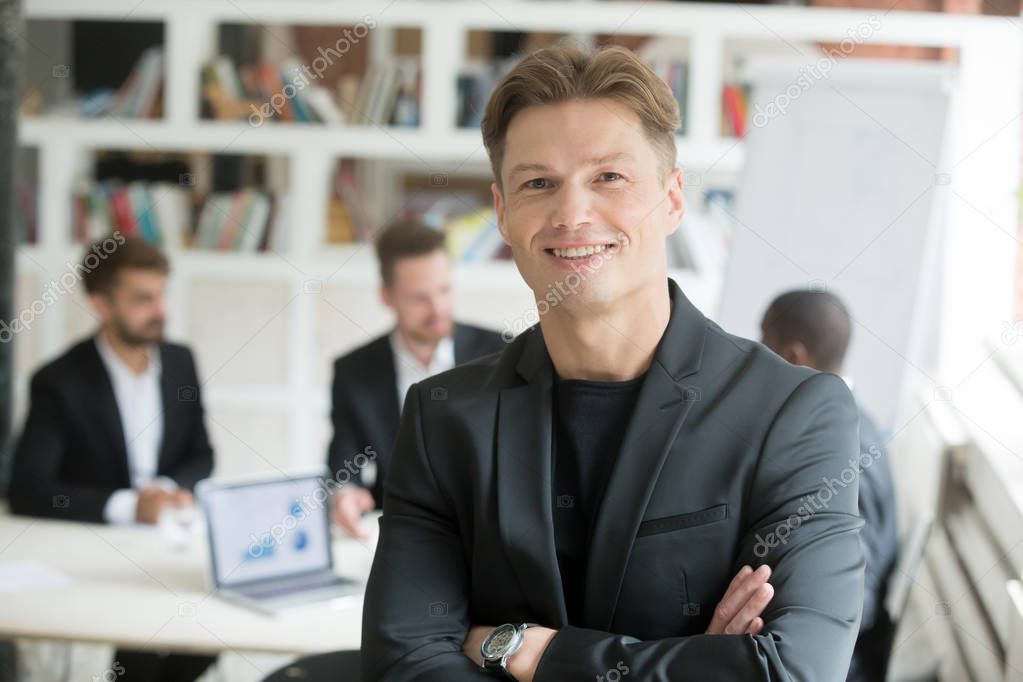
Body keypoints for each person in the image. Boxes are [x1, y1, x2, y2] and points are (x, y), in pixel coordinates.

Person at [361, 44, 865, 681]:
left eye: (609, 177)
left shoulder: (793, 415)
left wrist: (527, 651)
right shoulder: (441, 420)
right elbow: (403, 668)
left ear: (674, 197)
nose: (572, 214)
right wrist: (695, 662)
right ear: (503, 214)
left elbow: (793, 671)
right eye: (537, 183)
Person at [9, 236, 215, 682]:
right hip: (98, 554)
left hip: (170, 544)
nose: (160, 310)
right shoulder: (59, 381)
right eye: (143, 299)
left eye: (161, 294)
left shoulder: (180, 363)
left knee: (208, 635)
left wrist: (167, 487)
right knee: (141, 655)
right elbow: (27, 489)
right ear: (102, 305)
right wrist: (127, 504)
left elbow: (202, 453)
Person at [328, 223, 505, 538]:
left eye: (444, 291)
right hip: (399, 530)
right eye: (419, 298)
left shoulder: (501, 353)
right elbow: (345, 455)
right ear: (387, 297)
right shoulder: (354, 371)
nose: (438, 309)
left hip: (487, 528)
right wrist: (345, 492)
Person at [761, 289, 899, 682]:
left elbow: (856, 604)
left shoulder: (846, 453)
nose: (755, 353)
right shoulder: (854, 421)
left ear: (793, 357)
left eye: (763, 338)